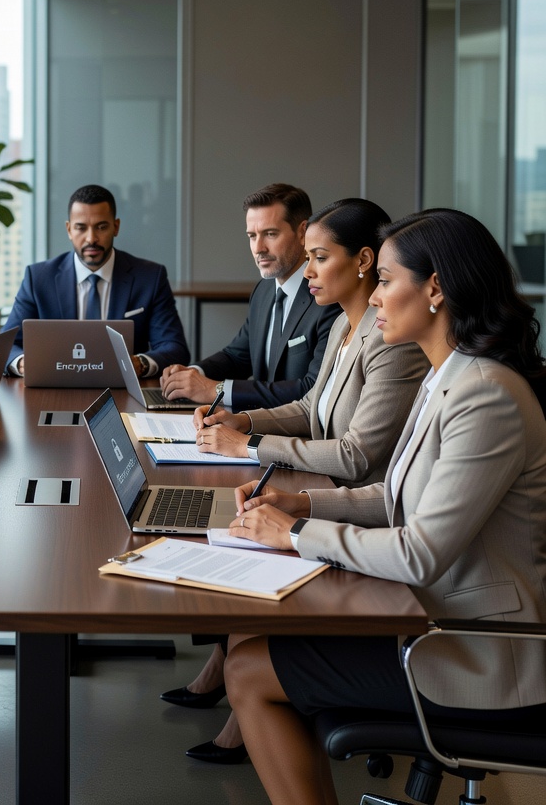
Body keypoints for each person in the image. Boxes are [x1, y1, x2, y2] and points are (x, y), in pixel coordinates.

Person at [221, 208, 546, 805]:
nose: (374, 301)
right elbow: (397, 497)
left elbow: (420, 552)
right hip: (433, 622)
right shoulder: (451, 377)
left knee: (246, 670)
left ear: (436, 289)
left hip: (479, 654)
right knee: (249, 650)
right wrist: (301, 503)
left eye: (388, 281)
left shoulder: (486, 396)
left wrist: (294, 533)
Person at [161, 198, 428, 764]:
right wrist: (243, 421)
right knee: (241, 531)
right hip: (343, 498)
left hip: (357, 508)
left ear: (361, 263)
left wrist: (249, 447)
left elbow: (358, 456)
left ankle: (243, 704)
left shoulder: (392, 345)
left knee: (250, 550)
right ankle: (234, 692)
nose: (307, 271)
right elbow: (309, 406)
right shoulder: (345, 331)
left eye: (318, 257)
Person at [160, 183, 340, 409]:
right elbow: (238, 356)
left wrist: (214, 390)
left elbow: (311, 388)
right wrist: (192, 374)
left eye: (270, 234)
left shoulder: (327, 297)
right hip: (253, 424)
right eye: (252, 236)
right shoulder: (263, 291)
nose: (258, 247)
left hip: (295, 435)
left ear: (303, 232)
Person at [1, 183, 189, 375]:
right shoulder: (39, 279)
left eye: (101, 227)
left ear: (116, 227)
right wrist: (24, 363)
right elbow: (5, 347)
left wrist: (140, 363)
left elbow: (175, 348)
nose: (91, 238)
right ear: (69, 230)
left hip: (124, 392)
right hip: (54, 390)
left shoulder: (150, 278)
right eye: (81, 228)